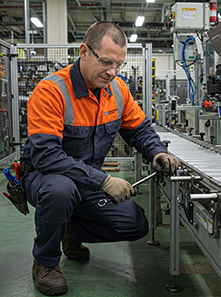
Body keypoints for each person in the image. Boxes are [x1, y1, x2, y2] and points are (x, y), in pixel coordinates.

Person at [20, 21, 181, 296]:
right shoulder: (51, 90)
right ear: (84, 52)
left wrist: (157, 151)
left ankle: (69, 229)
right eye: (106, 62)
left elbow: (139, 129)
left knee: (135, 224)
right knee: (61, 191)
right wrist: (104, 181)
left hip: (86, 183)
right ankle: (45, 263)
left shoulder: (117, 90)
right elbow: (46, 155)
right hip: (45, 178)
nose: (112, 72)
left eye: (119, 64)